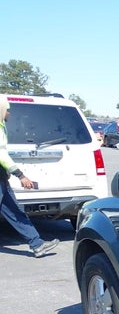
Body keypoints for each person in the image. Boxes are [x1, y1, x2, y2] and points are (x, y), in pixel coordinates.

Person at [0, 95, 59, 258]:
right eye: (8, 110)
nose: (10, 113)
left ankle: (37, 244)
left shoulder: (1, 126)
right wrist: (20, 175)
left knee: (15, 212)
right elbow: (1, 155)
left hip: (2, 181)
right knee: (14, 212)